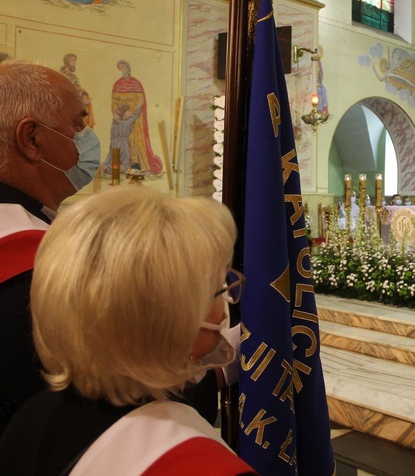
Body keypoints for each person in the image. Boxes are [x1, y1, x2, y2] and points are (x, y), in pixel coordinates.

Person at [0, 186, 257, 475]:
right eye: (218, 289)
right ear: (170, 319)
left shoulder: (30, 421)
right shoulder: (200, 465)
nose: (225, 305)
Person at [0, 60, 99, 436]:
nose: (88, 137)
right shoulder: (39, 271)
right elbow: (86, 410)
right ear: (32, 140)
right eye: (78, 124)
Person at [112, 60, 163, 175]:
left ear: (128, 67)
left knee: (137, 141)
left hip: (136, 119)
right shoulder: (117, 84)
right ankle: (126, 165)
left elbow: (140, 101)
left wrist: (132, 111)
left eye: (123, 66)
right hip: (122, 120)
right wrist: (116, 113)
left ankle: (139, 164)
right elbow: (114, 101)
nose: (122, 69)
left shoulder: (136, 83)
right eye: (120, 67)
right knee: (124, 141)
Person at [59, 53, 95, 128]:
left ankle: (84, 126)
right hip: (64, 102)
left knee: (87, 102)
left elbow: (78, 88)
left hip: (74, 100)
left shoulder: (74, 77)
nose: (74, 63)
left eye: (75, 61)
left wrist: (83, 95)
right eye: (72, 60)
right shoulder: (60, 75)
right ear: (66, 62)